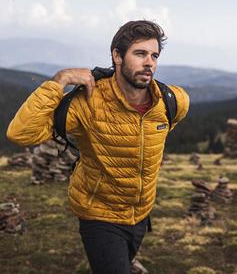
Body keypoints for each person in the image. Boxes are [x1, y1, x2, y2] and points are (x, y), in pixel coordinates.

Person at [7, 20, 190, 274]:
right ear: (117, 56)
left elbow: (161, 130)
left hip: (140, 214)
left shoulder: (173, 102)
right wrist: (60, 80)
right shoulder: (88, 102)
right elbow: (20, 133)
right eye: (140, 54)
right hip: (99, 214)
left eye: (154, 55)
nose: (149, 62)